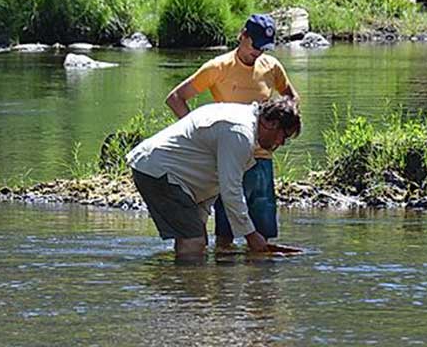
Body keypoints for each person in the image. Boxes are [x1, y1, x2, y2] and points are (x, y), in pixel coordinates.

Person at [165, 13, 300, 250]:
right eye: (254, 45)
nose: (257, 52)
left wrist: (285, 124)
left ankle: (259, 282)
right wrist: (197, 135)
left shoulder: (272, 67)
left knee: (262, 232)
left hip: (261, 160)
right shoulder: (219, 67)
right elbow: (176, 98)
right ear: (243, 36)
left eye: (263, 48)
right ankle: (223, 278)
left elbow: (291, 97)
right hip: (229, 157)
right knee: (226, 232)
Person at [126, 97, 301, 257]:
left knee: (196, 239)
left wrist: (200, 220)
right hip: (159, 172)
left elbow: (212, 181)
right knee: (194, 241)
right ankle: (183, 287)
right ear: (272, 124)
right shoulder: (240, 133)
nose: (282, 143)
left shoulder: (242, 119)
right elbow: (230, 190)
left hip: (161, 171)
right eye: (283, 136)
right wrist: (251, 235)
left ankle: (180, 283)